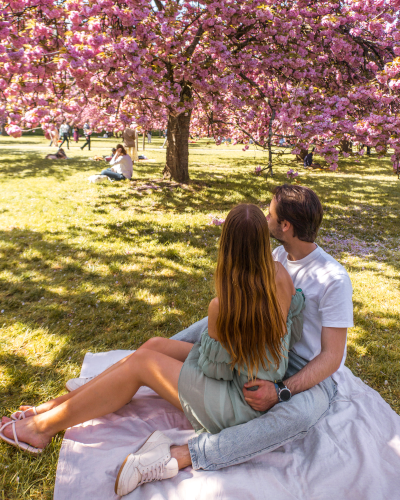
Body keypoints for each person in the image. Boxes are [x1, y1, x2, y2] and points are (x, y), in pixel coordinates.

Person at [0, 204, 305, 496]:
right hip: (253, 377)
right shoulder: (280, 275)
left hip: (238, 403)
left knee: (143, 363)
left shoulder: (224, 305)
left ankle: (41, 428)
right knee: (155, 346)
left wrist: (192, 359)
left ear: (227, 246)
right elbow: (288, 333)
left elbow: (217, 370)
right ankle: (58, 404)